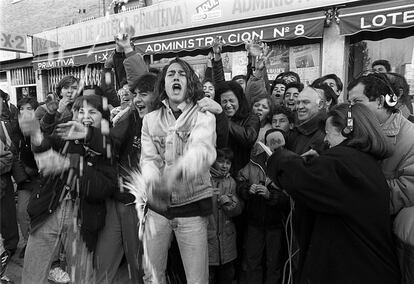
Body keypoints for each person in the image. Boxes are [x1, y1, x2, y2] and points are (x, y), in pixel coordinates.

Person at [267, 103, 401, 284]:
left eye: (328, 133)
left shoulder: (345, 163)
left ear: (346, 130)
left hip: (355, 271)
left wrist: (278, 158)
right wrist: (319, 160)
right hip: (368, 267)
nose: (326, 140)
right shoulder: (361, 161)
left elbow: (301, 179)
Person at [21, 95, 117, 284]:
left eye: (92, 112)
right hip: (47, 211)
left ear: (103, 117)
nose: (85, 116)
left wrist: (69, 164)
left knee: (83, 279)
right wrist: (35, 135)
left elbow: (102, 188)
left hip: (82, 219)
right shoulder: (66, 133)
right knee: (32, 277)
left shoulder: (108, 146)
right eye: (81, 111)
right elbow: (39, 155)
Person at [139, 58, 217, 284]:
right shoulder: (150, 120)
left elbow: (202, 152)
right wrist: (153, 183)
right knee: (152, 276)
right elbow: (149, 159)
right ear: (163, 83)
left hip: (192, 208)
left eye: (181, 74)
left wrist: (173, 176)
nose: (175, 77)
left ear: (190, 82)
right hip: (157, 211)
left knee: (196, 279)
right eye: (171, 74)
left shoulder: (203, 115)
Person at [348, 72, 414, 284]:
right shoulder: (351, 131)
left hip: (387, 238)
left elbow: (408, 189)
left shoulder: (410, 137)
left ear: (379, 101)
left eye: (357, 102)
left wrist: (355, 195)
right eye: (349, 103)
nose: (352, 109)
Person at [237, 129, 289, 284]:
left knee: (274, 263)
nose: (273, 146)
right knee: (252, 261)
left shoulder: (288, 161)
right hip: (255, 221)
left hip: (276, 224)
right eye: (270, 142)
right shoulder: (254, 161)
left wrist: (270, 195)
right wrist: (247, 188)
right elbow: (239, 181)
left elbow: (290, 197)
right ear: (264, 143)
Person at [208, 148, 242, 284]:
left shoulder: (232, 182)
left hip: (227, 241)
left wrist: (229, 204)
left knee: (226, 277)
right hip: (208, 240)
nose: (224, 166)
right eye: (221, 161)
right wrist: (210, 196)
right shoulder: (204, 179)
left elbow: (238, 210)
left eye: (228, 163)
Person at [215, 81, 260, 174]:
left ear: (239, 100)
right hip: (219, 172)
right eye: (224, 101)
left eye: (231, 101)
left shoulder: (251, 118)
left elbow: (249, 138)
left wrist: (223, 120)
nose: (228, 105)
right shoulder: (214, 119)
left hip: (242, 173)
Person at [15, 98, 41, 259]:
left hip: (42, 180)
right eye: (21, 109)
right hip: (25, 181)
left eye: (29, 108)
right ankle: (27, 243)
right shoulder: (16, 132)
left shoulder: (42, 129)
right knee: (22, 212)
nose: (25, 112)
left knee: (39, 213)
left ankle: (41, 246)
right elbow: (14, 156)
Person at [286, 86, 327, 155]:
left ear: (320, 105)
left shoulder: (326, 132)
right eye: (298, 102)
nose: (300, 107)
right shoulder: (298, 128)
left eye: (305, 102)